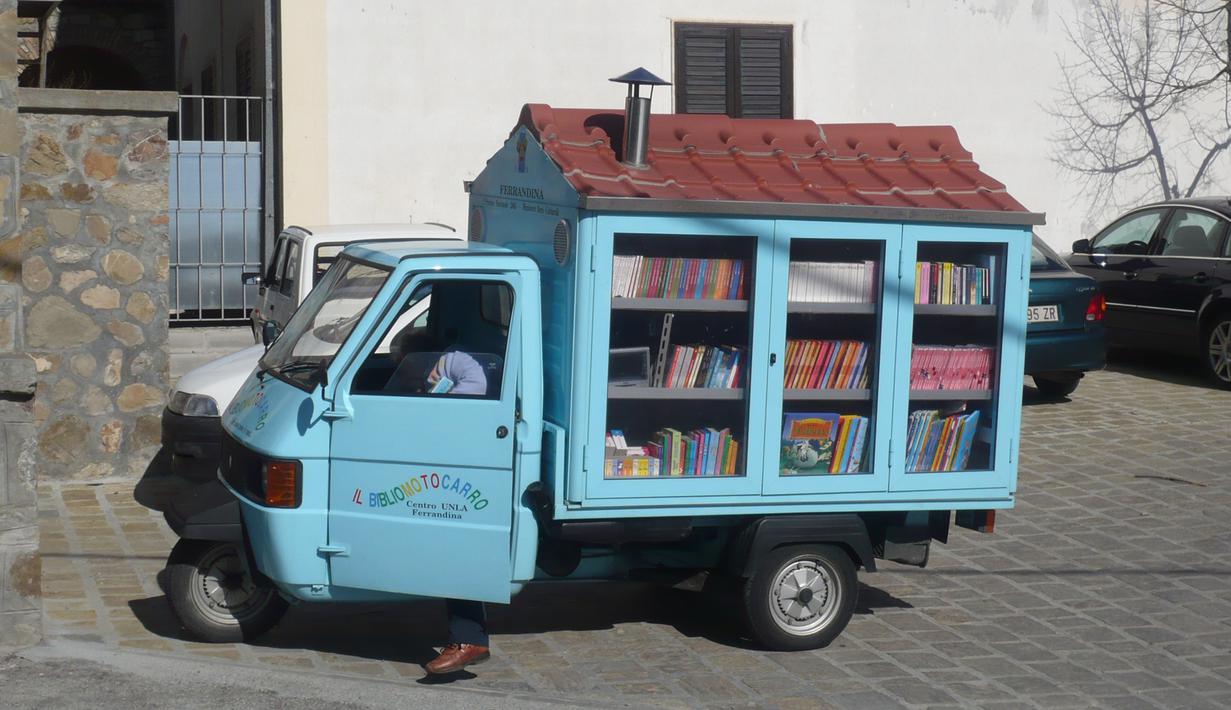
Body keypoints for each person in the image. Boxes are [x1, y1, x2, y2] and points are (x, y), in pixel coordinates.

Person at [392, 329, 492, 674]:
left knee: (456, 545)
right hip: (448, 460)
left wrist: (443, 407)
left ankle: (469, 638)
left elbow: (474, 386)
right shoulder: (438, 373)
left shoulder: (454, 361)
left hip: (464, 463)